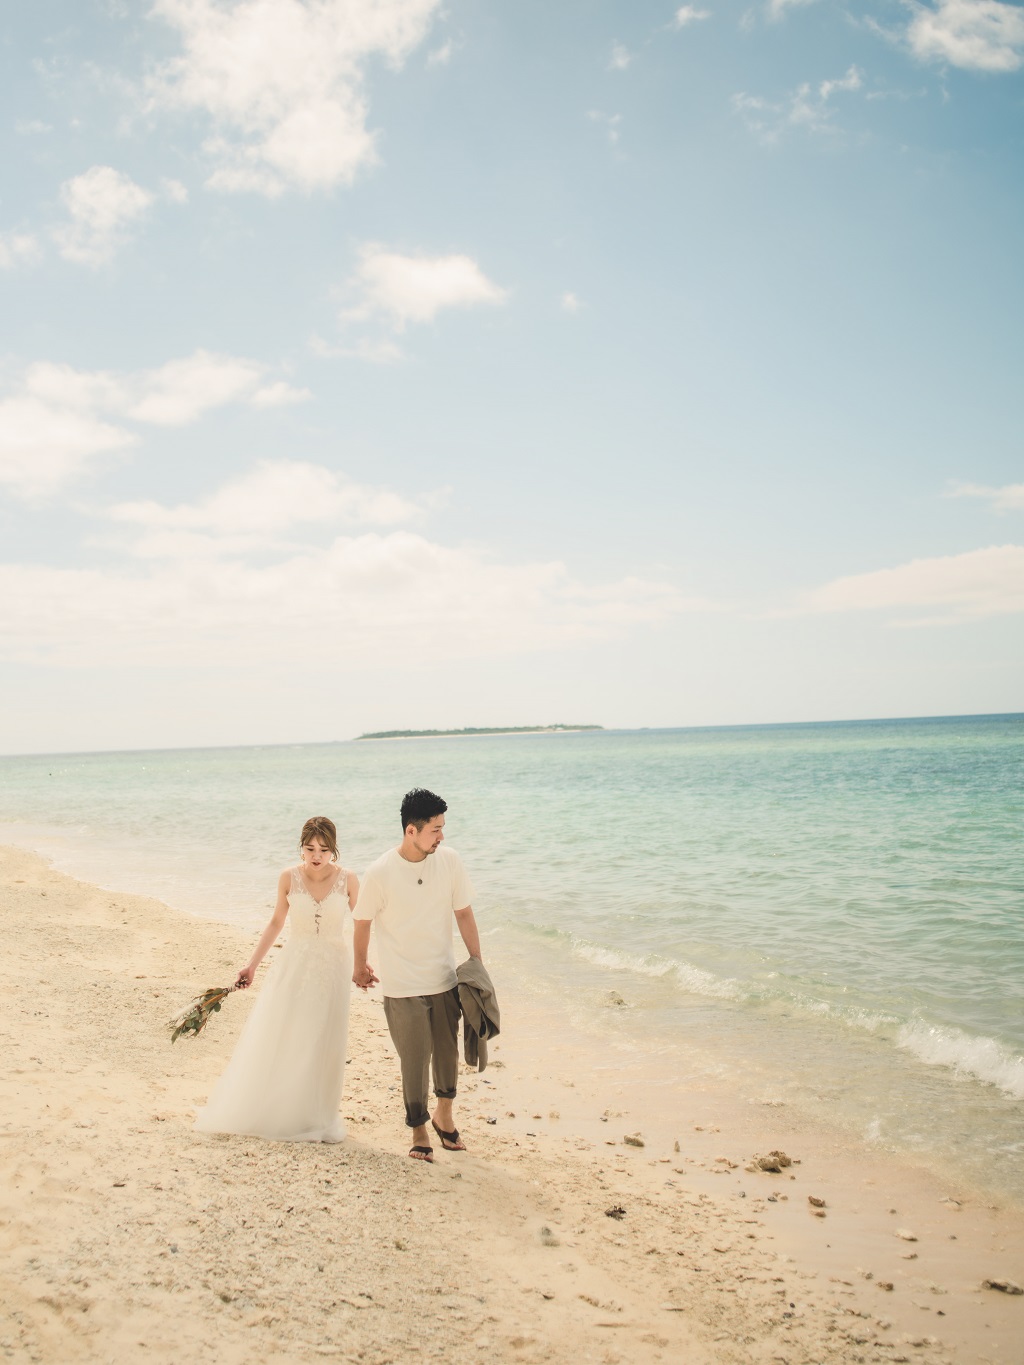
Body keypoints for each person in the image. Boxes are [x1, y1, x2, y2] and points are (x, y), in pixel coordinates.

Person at [195, 816, 370, 1142]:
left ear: (334, 850)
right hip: (296, 963)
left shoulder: (349, 880)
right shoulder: (288, 878)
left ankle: (317, 1115)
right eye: (310, 848)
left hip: (334, 965)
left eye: (324, 849)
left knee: (326, 1038)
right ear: (301, 848)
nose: (316, 855)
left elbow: (362, 921)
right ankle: (281, 1109)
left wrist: (363, 963)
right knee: (289, 1032)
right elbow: (277, 921)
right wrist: (252, 965)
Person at [352, 788, 482, 1163]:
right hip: (402, 985)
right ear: (412, 830)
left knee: (446, 1054)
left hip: (443, 979)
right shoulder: (380, 872)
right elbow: (361, 921)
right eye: (435, 830)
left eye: (442, 828)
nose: (442, 836)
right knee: (413, 1059)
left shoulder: (450, 862)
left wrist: (477, 962)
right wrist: (359, 966)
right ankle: (418, 1128)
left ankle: (444, 1116)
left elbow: (464, 913)